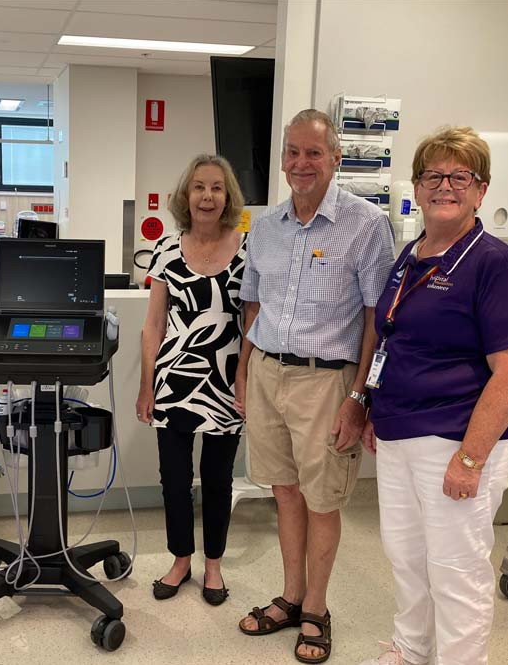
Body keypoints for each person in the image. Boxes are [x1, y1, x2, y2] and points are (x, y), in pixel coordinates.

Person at [357, 127, 508, 665]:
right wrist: (372, 407)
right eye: (433, 175)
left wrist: (470, 457)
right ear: (417, 184)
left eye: (461, 176)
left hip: (458, 438)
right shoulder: (412, 253)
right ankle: (411, 651)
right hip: (399, 432)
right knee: (407, 557)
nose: (445, 186)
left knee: (455, 569)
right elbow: (394, 339)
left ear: (481, 191)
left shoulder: (494, 264)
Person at [236, 109, 395, 664]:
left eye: (313, 153)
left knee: (322, 499)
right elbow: (255, 305)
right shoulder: (266, 224)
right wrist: (243, 372)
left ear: (335, 159)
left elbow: (380, 318)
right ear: (282, 158)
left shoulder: (368, 225)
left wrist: (360, 396)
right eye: (292, 152)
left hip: (328, 382)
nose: (301, 163)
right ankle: (291, 594)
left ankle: (318, 610)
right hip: (267, 373)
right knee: (283, 491)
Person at [136, 154, 246, 606]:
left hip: (225, 383)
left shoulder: (247, 250)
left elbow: (252, 323)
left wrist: (244, 379)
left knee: (217, 479)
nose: (207, 196)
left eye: (217, 187)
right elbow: (153, 325)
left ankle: (213, 565)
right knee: (174, 479)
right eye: (199, 186)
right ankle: (181, 558)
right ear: (187, 195)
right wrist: (147, 385)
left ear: (228, 197)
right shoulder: (165, 249)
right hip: (174, 380)